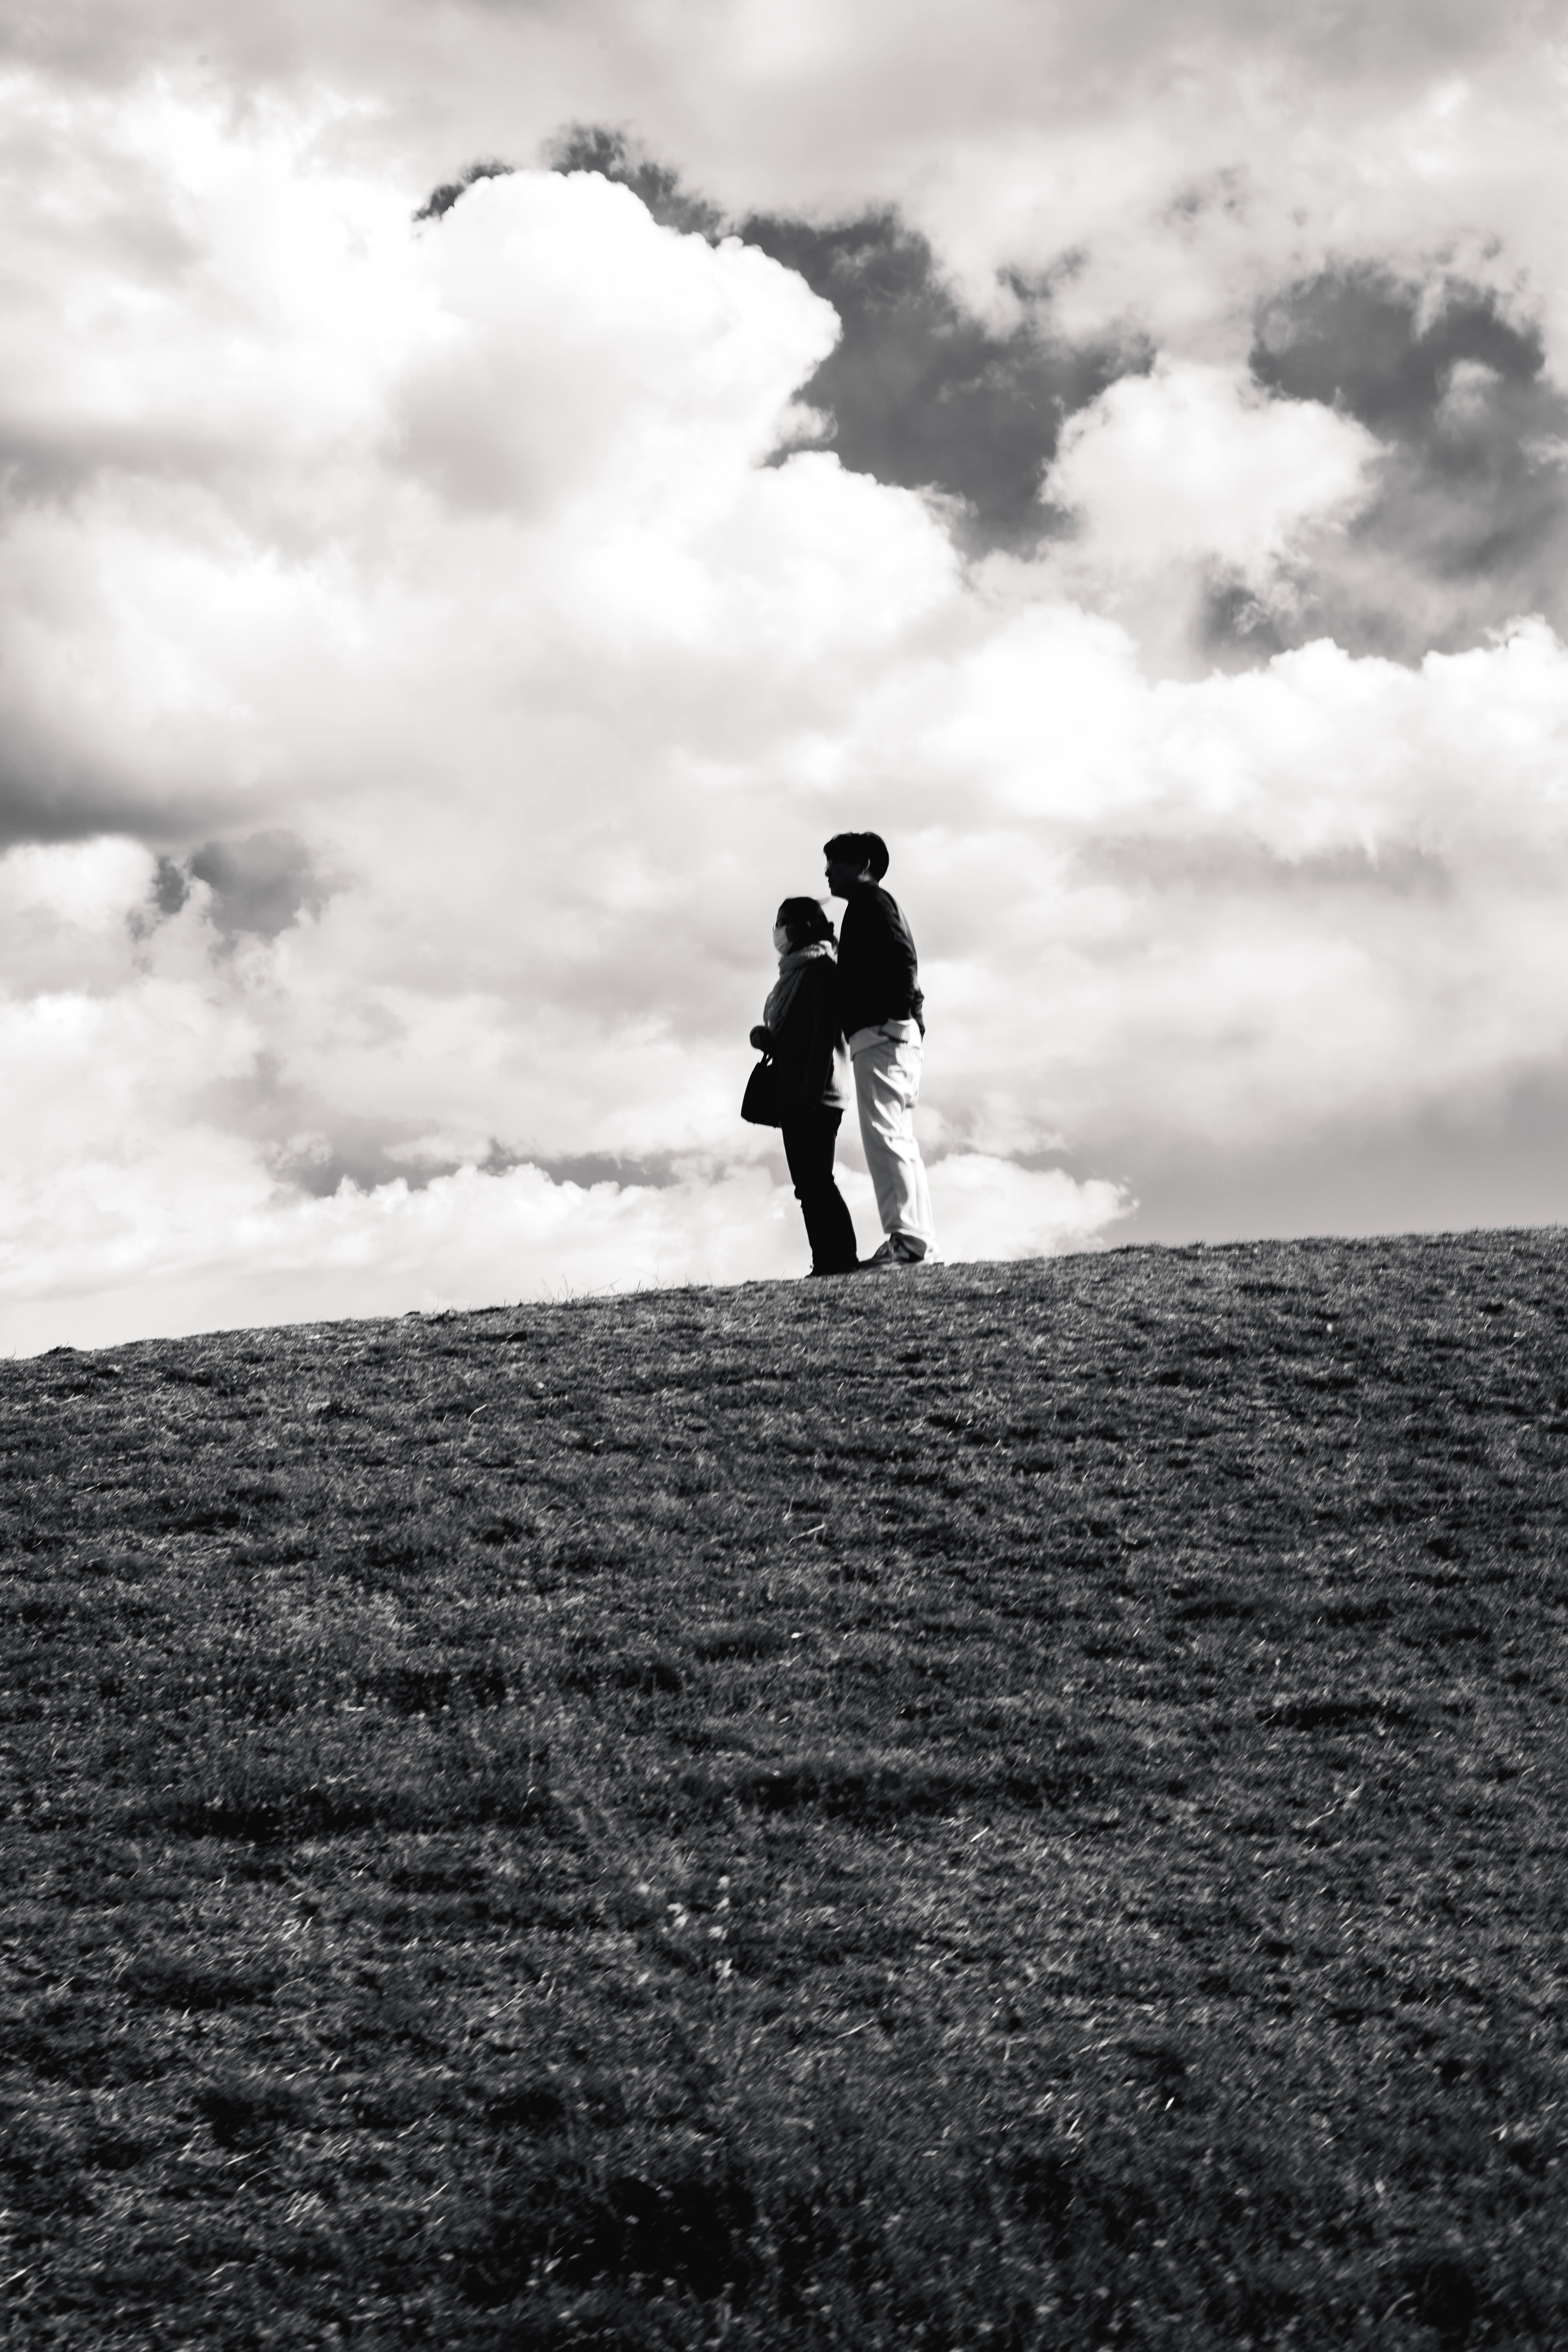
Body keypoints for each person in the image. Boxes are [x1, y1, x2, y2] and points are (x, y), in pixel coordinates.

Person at [823, 831, 936, 1267]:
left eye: (835, 862)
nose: (828, 872)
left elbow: (903, 960)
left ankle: (907, 1242)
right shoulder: (871, 904)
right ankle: (919, 1243)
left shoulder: (870, 902)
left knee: (885, 1137)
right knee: (899, 1139)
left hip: (883, 1035)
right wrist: (909, 1022)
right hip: (891, 1035)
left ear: (863, 865)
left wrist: (895, 1018)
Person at [750, 896, 860, 1278]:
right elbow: (798, 1034)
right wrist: (768, 1038)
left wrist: (811, 1094)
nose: (778, 932)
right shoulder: (794, 973)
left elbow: (823, 1034)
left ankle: (840, 1259)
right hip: (796, 1093)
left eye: (782, 923)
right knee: (807, 1185)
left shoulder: (821, 970)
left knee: (816, 1181)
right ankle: (826, 1261)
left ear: (802, 928)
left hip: (816, 1095)